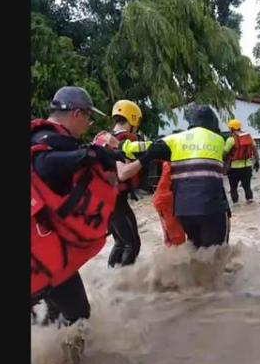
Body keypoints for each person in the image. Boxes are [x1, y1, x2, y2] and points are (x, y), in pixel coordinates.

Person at [31, 86, 119, 327]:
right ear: (77, 114)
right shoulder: (49, 141)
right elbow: (45, 164)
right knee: (78, 317)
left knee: (54, 317)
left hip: (45, 251)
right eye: (88, 117)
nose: (88, 123)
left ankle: (52, 362)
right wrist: (90, 155)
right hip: (43, 254)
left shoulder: (42, 136)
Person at [116, 105, 230, 249]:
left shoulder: (175, 140)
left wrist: (123, 146)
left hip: (184, 211)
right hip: (212, 209)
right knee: (216, 253)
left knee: (195, 248)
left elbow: (148, 147)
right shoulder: (219, 141)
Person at [103, 100, 145, 268]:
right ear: (133, 118)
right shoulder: (125, 139)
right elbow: (123, 172)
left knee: (120, 242)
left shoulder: (104, 137)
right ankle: (125, 287)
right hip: (117, 201)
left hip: (105, 200)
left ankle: (111, 280)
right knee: (132, 244)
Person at [222, 119, 260, 204]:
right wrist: (257, 162)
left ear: (231, 129)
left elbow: (224, 154)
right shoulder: (249, 137)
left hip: (233, 169)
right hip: (247, 167)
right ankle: (250, 202)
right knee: (247, 187)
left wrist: (224, 161)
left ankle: (236, 205)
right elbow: (255, 150)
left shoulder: (231, 140)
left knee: (233, 188)